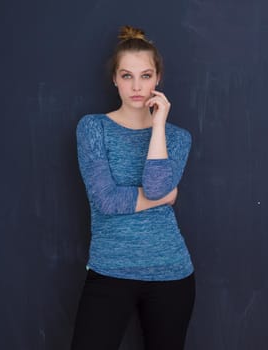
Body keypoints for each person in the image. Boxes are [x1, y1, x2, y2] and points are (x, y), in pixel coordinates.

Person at [71, 25, 195, 350]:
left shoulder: (178, 138)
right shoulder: (93, 128)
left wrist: (158, 127)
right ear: (115, 79)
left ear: (158, 80)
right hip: (109, 271)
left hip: (171, 272)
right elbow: (107, 201)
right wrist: (165, 199)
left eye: (146, 76)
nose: (137, 87)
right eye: (127, 76)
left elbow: (154, 188)